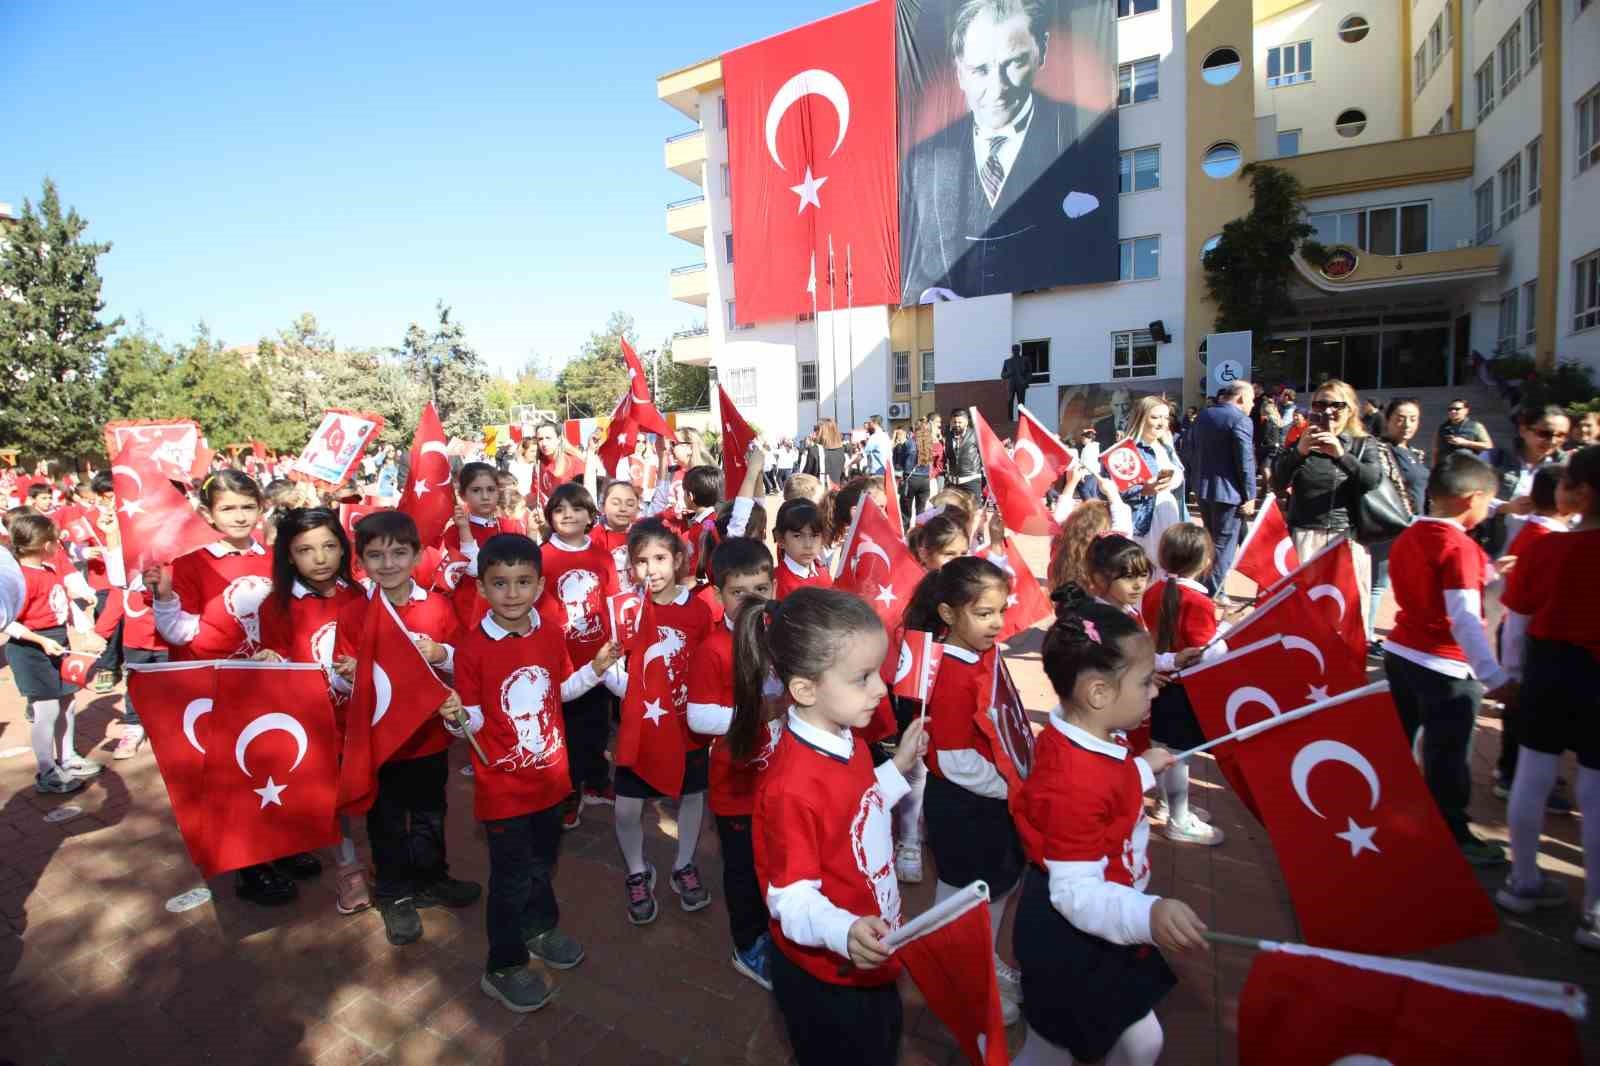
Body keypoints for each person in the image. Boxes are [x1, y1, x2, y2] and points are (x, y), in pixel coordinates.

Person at [1010, 596, 1207, 1066]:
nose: (1154, 693)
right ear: (1099, 693)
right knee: (1057, 1051)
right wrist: (1148, 915)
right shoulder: (1074, 779)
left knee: (1130, 1043)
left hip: (1097, 918)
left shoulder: (1086, 737)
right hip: (1076, 933)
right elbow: (1077, 892)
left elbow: (1103, 786)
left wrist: (1139, 770)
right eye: (1144, 683)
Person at [741, 587, 929, 1066]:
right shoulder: (791, 787)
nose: (881, 690)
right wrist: (843, 931)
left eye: (879, 674)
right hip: (829, 976)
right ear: (805, 688)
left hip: (868, 956)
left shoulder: (850, 739)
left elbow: (857, 812)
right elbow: (791, 898)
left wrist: (900, 766)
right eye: (862, 678)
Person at [447, 533, 618, 1011]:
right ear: (481, 588)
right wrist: (455, 716)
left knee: (543, 863)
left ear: (540, 585)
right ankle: (503, 965)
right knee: (510, 877)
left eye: (523, 582)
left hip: (551, 778)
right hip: (503, 788)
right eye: (500, 584)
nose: (513, 593)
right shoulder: (473, 648)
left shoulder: (547, 630)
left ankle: (539, 927)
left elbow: (558, 690)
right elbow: (475, 724)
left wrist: (597, 669)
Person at [148, 471, 312, 905]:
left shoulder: (276, 558)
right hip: (219, 686)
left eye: (247, 506)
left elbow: (291, 615)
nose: (239, 516)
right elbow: (177, 631)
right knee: (235, 774)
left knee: (276, 761)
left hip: (271, 682)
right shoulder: (191, 563)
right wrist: (164, 597)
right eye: (228, 508)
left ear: (261, 508)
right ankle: (250, 867)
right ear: (208, 514)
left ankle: (283, 846)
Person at [899, 0, 1116, 304]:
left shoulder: (1089, 139)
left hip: (1043, 323)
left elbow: (1096, 248)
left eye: (1013, 63)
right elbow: (910, 266)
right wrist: (926, 294)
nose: (997, 88)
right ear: (960, 71)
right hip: (954, 329)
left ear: (1041, 50)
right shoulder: (923, 163)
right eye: (980, 70)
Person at [333, 510, 482, 942]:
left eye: (399, 553)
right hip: (382, 742)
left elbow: (462, 659)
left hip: (428, 738)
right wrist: (348, 671)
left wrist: (441, 654)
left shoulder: (436, 606)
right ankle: (395, 893)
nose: (389, 563)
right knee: (386, 820)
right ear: (361, 561)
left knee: (431, 814)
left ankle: (432, 877)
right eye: (376, 555)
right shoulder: (355, 613)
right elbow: (345, 676)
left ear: (417, 554)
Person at [904, 557, 1027, 1025]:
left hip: (990, 801)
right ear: (950, 615)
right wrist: (1016, 785)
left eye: (1000, 610)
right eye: (984, 613)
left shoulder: (982, 654)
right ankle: (957, 973)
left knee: (994, 888)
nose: (997, 623)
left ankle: (979, 963)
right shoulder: (954, 674)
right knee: (963, 895)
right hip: (967, 803)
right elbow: (956, 761)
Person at [1382, 454, 1515, 867]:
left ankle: (1391, 816)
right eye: (1487, 502)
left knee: (1403, 742)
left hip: (1402, 653)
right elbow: (1465, 619)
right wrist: (1493, 675)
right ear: (1473, 498)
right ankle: (1452, 833)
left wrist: (1488, 572)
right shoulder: (1460, 548)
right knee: (1448, 754)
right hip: (1446, 666)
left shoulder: (1409, 535)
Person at [1495, 446, 1600, 944]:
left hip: (1547, 668)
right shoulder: (1548, 544)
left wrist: (1510, 674)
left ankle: (1522, 879)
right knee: (1595, 793)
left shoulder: (1544, 547)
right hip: (1592, 675)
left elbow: (1516, 618)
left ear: (1576, 492)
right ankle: (1596, 912)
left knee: (1533, 774)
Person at [253, 507, 368, 914]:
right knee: (333, 801)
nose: (319, 558)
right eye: (305, 549)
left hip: (362, 717)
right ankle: (348, 869)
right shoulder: (276, 608)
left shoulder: (359, 595)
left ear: (343, 549)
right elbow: (281, 668)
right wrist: (270, 663)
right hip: (315, 722)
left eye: (329, 546)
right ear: (288, 555)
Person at [685, 537, 782, 990]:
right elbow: (699, 716)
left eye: (761, 588)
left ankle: (778, 931)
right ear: (718, 593)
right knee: (744, 871)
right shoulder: (713, 649)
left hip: (780, 781)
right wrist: (758, 713)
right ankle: (748, 945)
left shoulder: (782, 634)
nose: (751, 601)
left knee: (778, 863)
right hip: (737, 788)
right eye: (738, 592)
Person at [613, 518, 716, 924]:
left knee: (691, 797)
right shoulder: (626, 609)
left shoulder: (697, 612)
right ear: (630, 567)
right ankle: (638, 869)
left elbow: (709, 665)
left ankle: (684, 864)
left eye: (659, 558)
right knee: (625, 809)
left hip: (686, 725)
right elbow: (612, 665)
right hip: (641, 727)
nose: (651, 569)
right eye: (641, 561)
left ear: (677, 559)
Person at [536, 483, 621, 829]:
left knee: (599, 725)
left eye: (576, 508)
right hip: (563, 662)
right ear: (550, 517)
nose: (568, 515)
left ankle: (597, 781)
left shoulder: (601, 556)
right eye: (559, 509)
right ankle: (568, 791)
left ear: (590, 515)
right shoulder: (541, 557)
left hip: (599, 658)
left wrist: (616, 649)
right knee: (566, 729)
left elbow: (613, 602)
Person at [1141, 524, 1227, 847]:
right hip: (1184, 688)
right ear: (1205, 562)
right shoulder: (1198, 603)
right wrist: (1224, 634)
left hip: (1160, 685)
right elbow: (1206, 653)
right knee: (1179, 755)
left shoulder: (1152, 591)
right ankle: (1178, 817)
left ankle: (1167, 804)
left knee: (1164, 749)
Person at [5, 512, 101, 795]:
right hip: (31, 650)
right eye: (54, 540)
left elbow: (61, 605)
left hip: (56, 642)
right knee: (45, 710)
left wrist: (83, 626)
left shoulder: (48, 571)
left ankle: (67, 756)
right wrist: (40, 641)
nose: (58, 544)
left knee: (68, 703)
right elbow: (8, 622)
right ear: (45, 545)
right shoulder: (19, 579)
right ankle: (47, 770)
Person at [1272, 379, 1383, 623]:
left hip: (1344, 539)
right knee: (1301, 619)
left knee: (1344, 619)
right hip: (1303, 539)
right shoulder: (1300, 444)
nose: (1328, 411)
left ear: (1351, 409)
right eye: (1320, 405)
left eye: (1336, 405)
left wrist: (1341, 455)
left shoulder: (1363, 444)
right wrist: (1299, 451)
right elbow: (1277, 483)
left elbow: (1372, 480)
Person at [1366, 397, 1428, 648]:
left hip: (1416, 526)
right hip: (1389, 525)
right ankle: (1365, 636)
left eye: (1413, 419)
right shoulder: (1378, 450)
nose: (1407, 424)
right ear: (1388, 420)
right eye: (1400, 418)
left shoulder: (1415, 453)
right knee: (1377, 585)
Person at [1187, 379, 1257, 593]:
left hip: (1203, 489)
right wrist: (1250, 495)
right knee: (1223, 546)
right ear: (1242, 397)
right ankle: (1213, 592)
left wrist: (1193, 482)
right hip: (1229, 494)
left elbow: (1188, 451)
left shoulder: (1203, 416)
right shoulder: (1240, 419)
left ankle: (1207, 585)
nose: (1253, 405)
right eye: (1252, 400)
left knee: (1211, 542)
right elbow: (1245, 461)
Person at [438, 462, 526, 628]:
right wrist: (464, 529)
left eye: (491, 490)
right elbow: (472, 571)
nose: (485, 497)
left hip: (508, 611)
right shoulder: (454, 532)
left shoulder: (510, 526)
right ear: (463, 495)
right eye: (476, 490)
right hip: (470, 614)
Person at [1483, 405, 1571, 555]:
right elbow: (1469, 498)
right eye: (1544, 433)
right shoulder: (1495, 458)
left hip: (1546, 553)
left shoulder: (1567, 467)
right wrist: (1506, 507)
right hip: (1497, 553)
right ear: (1523, 430)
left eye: (1561, 435)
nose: (1552, 441)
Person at [1113, 396, 1187, 565]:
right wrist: (1145, 489)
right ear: (1141, 418)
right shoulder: (1125, 450)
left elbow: (1179, 478)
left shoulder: (1166, 447)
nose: (1162, 423)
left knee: (1169, 568)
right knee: (1148, 568)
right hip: (1146, 522)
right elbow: (1119, 490)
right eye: (1155, 417)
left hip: (1171, 514)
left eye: (1166, 417)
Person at [773, 499, 832, 599]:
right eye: (798, 536)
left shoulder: (823, 571)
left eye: (814, 535)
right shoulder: (776, 583)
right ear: (781, 539)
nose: (808, 545)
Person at [1433, 398, 1494, 466]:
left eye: (1457, 409)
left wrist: (1465, 442)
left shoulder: (1476, 426)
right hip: (1447, 466)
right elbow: (1436, 449)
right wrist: (1435, 467)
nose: (1453, 411)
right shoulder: (1443, 427)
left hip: (1467, 467)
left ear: (1466, 410)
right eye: (1450, 409)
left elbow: (1488, 446)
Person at [945, 409, 984, 498]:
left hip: (971, 482)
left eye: (960, 422)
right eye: (954, 422)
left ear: (966, 422)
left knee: (973, 510)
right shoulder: (949, 436)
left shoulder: (975, 434)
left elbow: (983, 455)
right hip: (953, 483)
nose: (957, 424)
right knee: (953, 510)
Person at [1002, 346, 1030, 419]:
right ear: (1012, 351)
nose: (1015, 351)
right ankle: (1009, 419)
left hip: (1021, 384)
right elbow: (1002, 375)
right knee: (1009, 402)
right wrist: (1009, 373)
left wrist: (1026, 381)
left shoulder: (1024, 359)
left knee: (1021, 403)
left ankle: (1021, 419)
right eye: (1014, 350)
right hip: (1011, 385)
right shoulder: (1007, 361)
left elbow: (1029, 373)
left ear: (1019, 350)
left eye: (1017, 349)